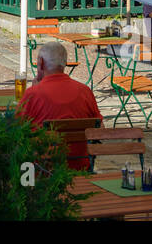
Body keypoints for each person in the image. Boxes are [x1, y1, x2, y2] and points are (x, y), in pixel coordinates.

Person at [19, 41, 103, 169]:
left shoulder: (33, 94)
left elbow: (15, 130)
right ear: (64, 63)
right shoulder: (85, 91)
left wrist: (35, 91)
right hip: (80, 168)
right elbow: (100, 129)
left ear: (41, 63)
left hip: (43, 171)